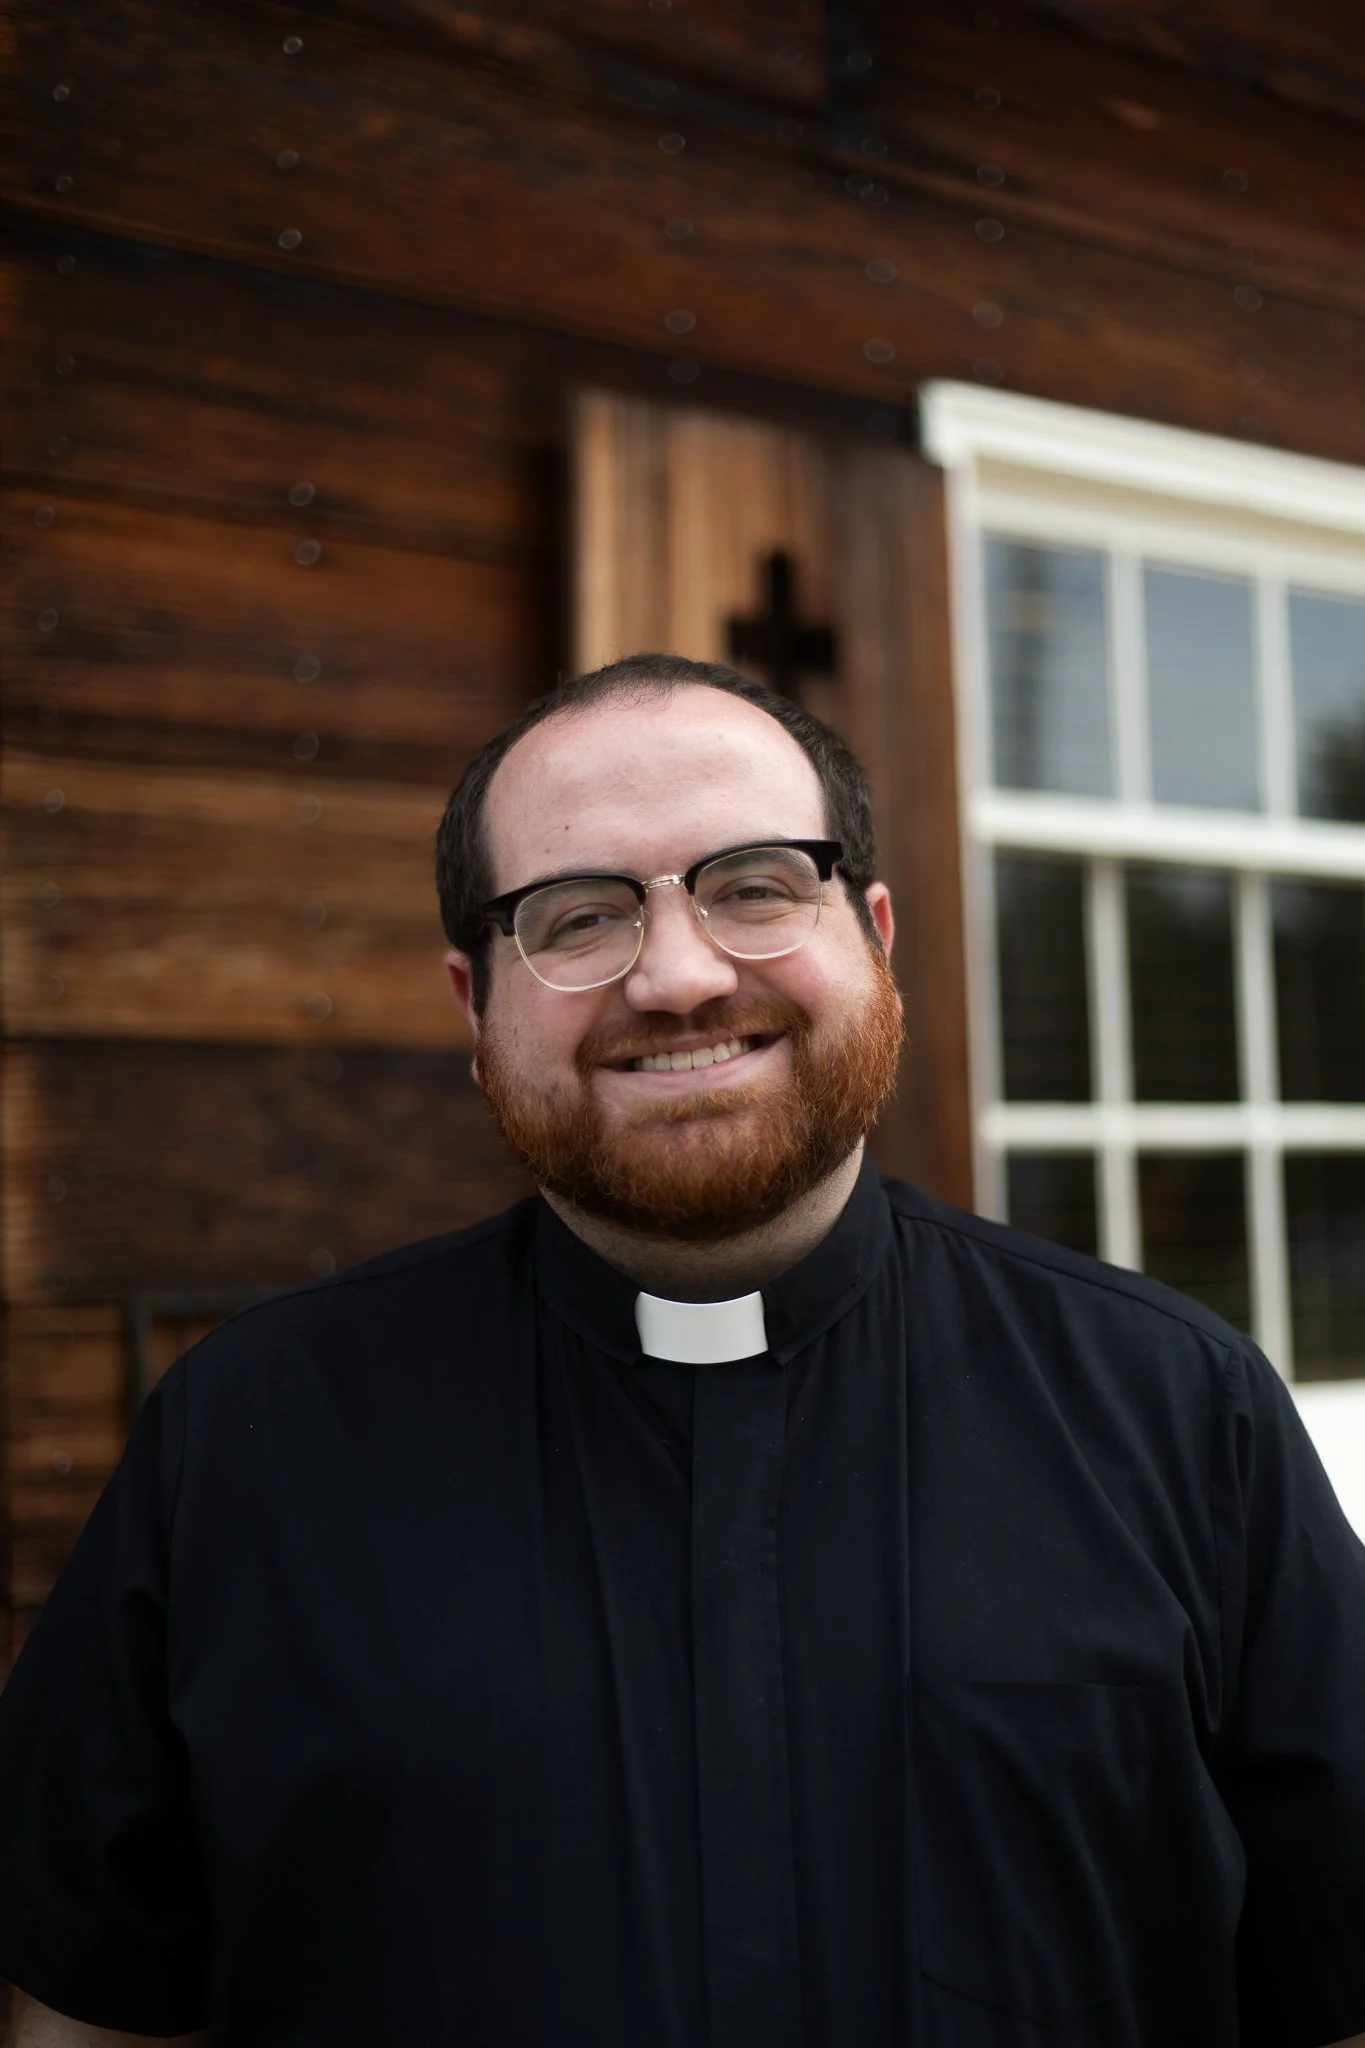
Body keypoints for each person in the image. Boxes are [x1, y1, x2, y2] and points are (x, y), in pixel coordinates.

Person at [1, 652, 1364, 2048]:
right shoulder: (249, 1437)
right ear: (474, 1006)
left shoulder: (1185, 1414)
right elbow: (95, 2011)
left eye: (757, 886)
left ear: (875, 937)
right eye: (577, 917)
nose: (676, 975)